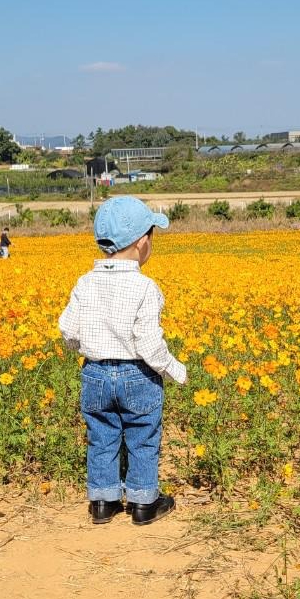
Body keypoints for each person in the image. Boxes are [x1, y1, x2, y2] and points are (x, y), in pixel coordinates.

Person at [58, 196, 187, 526]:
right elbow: (149, 343)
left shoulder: (84, 283)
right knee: (143, 438)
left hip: (95, 373)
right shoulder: (144, 287)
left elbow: (68, 330)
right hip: (138, 374)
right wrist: (174, 370)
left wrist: (86, 348)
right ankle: (144, 505)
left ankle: (103, 503)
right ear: (144, 242)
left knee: (101, 436)